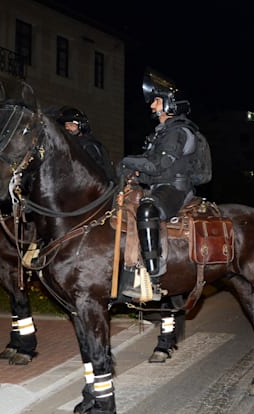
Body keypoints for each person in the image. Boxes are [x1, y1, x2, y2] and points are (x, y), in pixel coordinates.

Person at [117, 69, 209, 302]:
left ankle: (152, 273)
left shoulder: (178, 132)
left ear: (170, 104)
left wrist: (128, 160)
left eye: (156, 101)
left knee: (147, 209)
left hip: (176, 189)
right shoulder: (162, 132)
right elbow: (151, 169)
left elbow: (159, 166)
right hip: (160, 186)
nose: (152, 106)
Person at [56, 106, 117, 184]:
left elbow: (97, 172)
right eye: (66, 126)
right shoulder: (67, 146)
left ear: (82, 126)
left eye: (71, 125)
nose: (68, 128)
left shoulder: (89, 145)